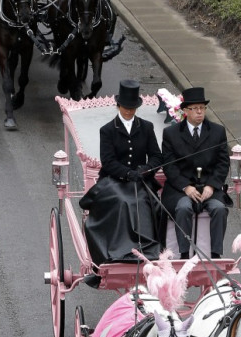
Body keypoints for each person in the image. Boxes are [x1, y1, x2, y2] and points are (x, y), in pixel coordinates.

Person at [79, 80, 162, 272]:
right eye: (125, 107)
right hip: (114, 181)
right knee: (123, 201)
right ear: (118, 106)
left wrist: (145, 170)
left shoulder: (147, 127)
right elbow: (108, 161)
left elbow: (157, 156)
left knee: (144, 202)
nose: (128, 111)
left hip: (140, 181)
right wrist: (127, 173)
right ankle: (119, 250)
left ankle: (147, 249)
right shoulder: (107, 130)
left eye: (132, 108)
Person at [160, 86, 232, 259]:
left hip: (208, 187)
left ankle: (215, 254)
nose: (200, 112)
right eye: (195, 108)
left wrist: (212, 186)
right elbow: (169, 165)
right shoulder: (171, 133)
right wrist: (186, 187)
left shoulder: (217, 131)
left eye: (202, 108)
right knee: (183, 208)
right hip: (181, 189)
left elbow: (223, 163)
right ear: (185, 111)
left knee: (219, 209)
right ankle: (184, 253)